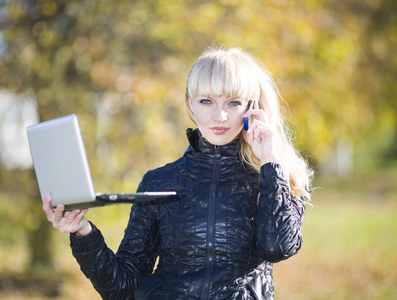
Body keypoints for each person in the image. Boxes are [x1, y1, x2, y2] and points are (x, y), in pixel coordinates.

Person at [42, 46, 313, 300]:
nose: (219, 116)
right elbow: (122, 288)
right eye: (207, 101)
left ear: (253, 108)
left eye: (233, 103)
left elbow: (278, 248)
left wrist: (270, 162)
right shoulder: (159, 181)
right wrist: (82, 232)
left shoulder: (277, 177)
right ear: (190, 103)